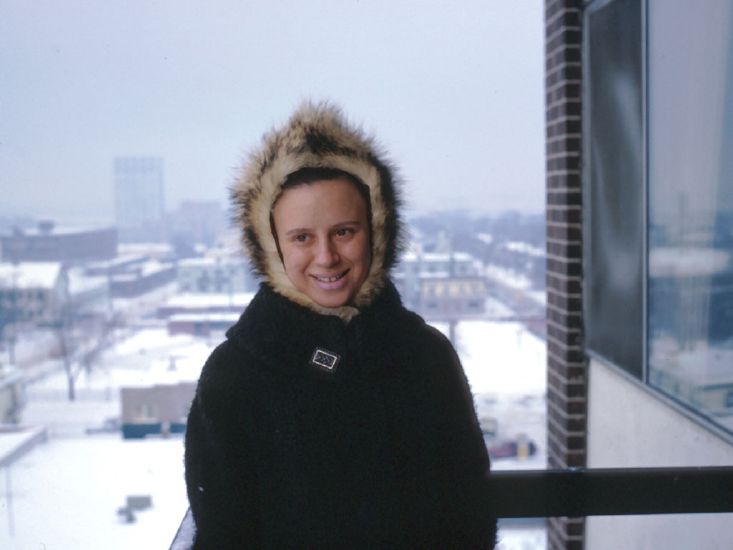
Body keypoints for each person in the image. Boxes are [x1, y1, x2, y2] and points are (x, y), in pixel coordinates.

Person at [184, 101, 497, 549]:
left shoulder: (426, 356)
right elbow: (223, 536)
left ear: (378, 231)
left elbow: (470, 514)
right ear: (271, 246)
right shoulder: (234, 377)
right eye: (302, 237)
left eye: (345, 231)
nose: (327, 256)